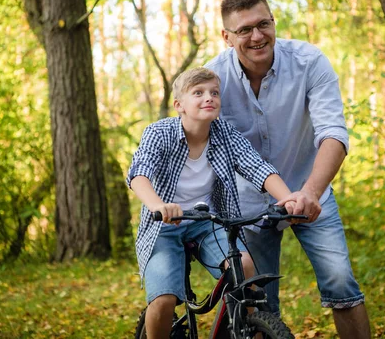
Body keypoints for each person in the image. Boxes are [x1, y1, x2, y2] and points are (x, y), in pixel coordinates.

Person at [205, 0, 371, 339]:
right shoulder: (212, 80)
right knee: (258, 303)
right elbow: (202, 142)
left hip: (309, 191)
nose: (257, 36)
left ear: (273, 21)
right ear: (226, 37)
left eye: (263, 24)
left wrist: (310, 192)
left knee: (341, 281)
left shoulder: (309, 62)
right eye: (244, 30)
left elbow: (333, 135)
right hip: (247, 205)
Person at [127, 67, 296, 339]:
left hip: (208, 223)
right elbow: (139, 174)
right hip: (165, 225)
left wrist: (287, 199)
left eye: (214, 92)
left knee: (245, 268)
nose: (209, 97)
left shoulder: (224, 134)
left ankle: (247, 331)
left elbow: (257, 167)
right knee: (164, 299)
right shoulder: (159, 133)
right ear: (179, 105)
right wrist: (158, 205)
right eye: (199, 92)